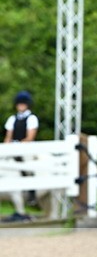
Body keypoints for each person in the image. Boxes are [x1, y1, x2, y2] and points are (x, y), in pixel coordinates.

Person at [2, 90, 39, 222]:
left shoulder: (32, 118)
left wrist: (18, 145)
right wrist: (7, 147)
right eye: (19, 104)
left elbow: (30, 137)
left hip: (26, 149)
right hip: (13, 148)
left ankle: (31, 193)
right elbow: (8, 136)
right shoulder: (12, 119)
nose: (21, 106)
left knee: (28, 167)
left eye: (23, 104)